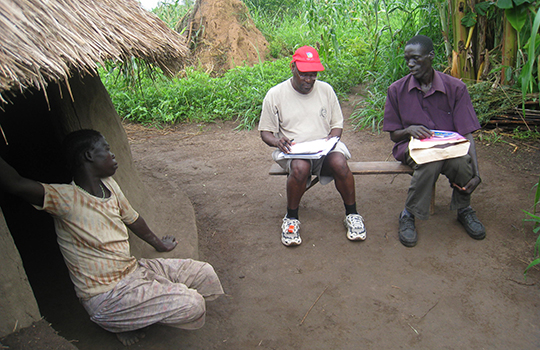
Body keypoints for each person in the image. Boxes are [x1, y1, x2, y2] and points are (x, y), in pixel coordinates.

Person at [0, 129, 224, 346]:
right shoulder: (65, 199)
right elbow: (15, 184)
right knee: (192, 303)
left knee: (205, 273)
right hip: (106, 296)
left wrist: (160, 244)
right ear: (89, 155)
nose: (112, 154)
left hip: (134, 271)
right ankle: (117, 322)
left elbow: (133, 219)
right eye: (106, 149)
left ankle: (143, 306)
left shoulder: (109, 185)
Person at [383, 35, 486, 247]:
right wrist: (409, 130)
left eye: (416, 59)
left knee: (459, 161)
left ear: (431, 56)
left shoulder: (455, 88)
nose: (411, 64)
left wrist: (476, 174)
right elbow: (394, 135)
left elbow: (467, 134)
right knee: (429, 160)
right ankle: (409, 214)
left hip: (449, 150)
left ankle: (464, 208)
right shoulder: (397, 90)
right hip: (411, 148)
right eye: (407, 59)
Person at [258, 45, 366, 246]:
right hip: (294, 152)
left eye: (313, 75)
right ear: (292, 68)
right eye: (304, 74)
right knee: (301, 167)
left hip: (323, 151)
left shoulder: (326, 90)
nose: (309, 80)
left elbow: (336, 126)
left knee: (340, 163)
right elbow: (265, 132)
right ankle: (291, 219)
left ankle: (352, 214)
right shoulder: (276, 94)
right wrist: (277, 141)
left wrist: (330, 142)